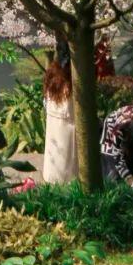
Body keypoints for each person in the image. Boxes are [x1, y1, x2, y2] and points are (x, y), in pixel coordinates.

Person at [42, 52, 78, 185]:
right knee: (68, 172)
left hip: (55, 133)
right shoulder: (70, 87)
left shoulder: (50, 85)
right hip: (68, 133)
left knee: (55, 173)